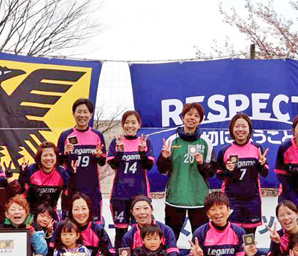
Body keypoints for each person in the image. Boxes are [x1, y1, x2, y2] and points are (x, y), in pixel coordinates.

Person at [157, 102, 214, 242]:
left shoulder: (206, 142)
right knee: (170, 240)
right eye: (189, 114)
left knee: (201, 241)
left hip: (199, 200)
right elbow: (162, 170)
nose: (192, 118)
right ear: (183, 117)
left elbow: (211, 172)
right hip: (175, 198)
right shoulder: (172, 140)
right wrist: (164, 158)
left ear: (200, 120)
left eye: (196, 115)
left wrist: (202, 164)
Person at [215, 114, 269, 235]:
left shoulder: (257, 148)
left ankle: (248, 249)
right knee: (232, 235)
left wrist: (261, 164)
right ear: (232, 129)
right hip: (231, 199)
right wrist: (228, 170)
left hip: (252, 200)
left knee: (249, 237)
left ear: (249, 129)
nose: (240, 129)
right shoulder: (225, 150)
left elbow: (265, 173)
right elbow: (219, 176)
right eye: (237, 126)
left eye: (244, 126)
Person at [107, 110, 154, 247]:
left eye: (133, 122)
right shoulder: (117, 142)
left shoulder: (145, 141)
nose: (130, 126)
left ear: (139, 124)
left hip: (140, 195)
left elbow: (149, 165)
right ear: (122, 124)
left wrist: (142, 153)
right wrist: (120, 152)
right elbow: (113, 165)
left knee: (141, 231)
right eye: (127, 122)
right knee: (120, 231)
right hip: (120, 195)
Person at [57, 98, 106, 222]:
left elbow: (102, 162)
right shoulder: (65, 135)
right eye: (79, 112)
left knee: (93, 224)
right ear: (73, 114)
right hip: (71, 188)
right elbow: (57, 162)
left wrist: (98, 156)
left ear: (91, 114)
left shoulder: (98, 135)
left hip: (92, 188)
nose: (82, 115)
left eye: (85, 112)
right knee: (69, 224)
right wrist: (65, 153)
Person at [18, 142, 70, 212]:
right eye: (45, 155)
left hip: (51, 213)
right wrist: (22, 175)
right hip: (31, 212)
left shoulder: (62, 172)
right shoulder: (31, 170)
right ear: (39, 157)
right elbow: (21, 192)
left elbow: (69, 194)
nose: (48, 158)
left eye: (51, 155)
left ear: (56, 157)